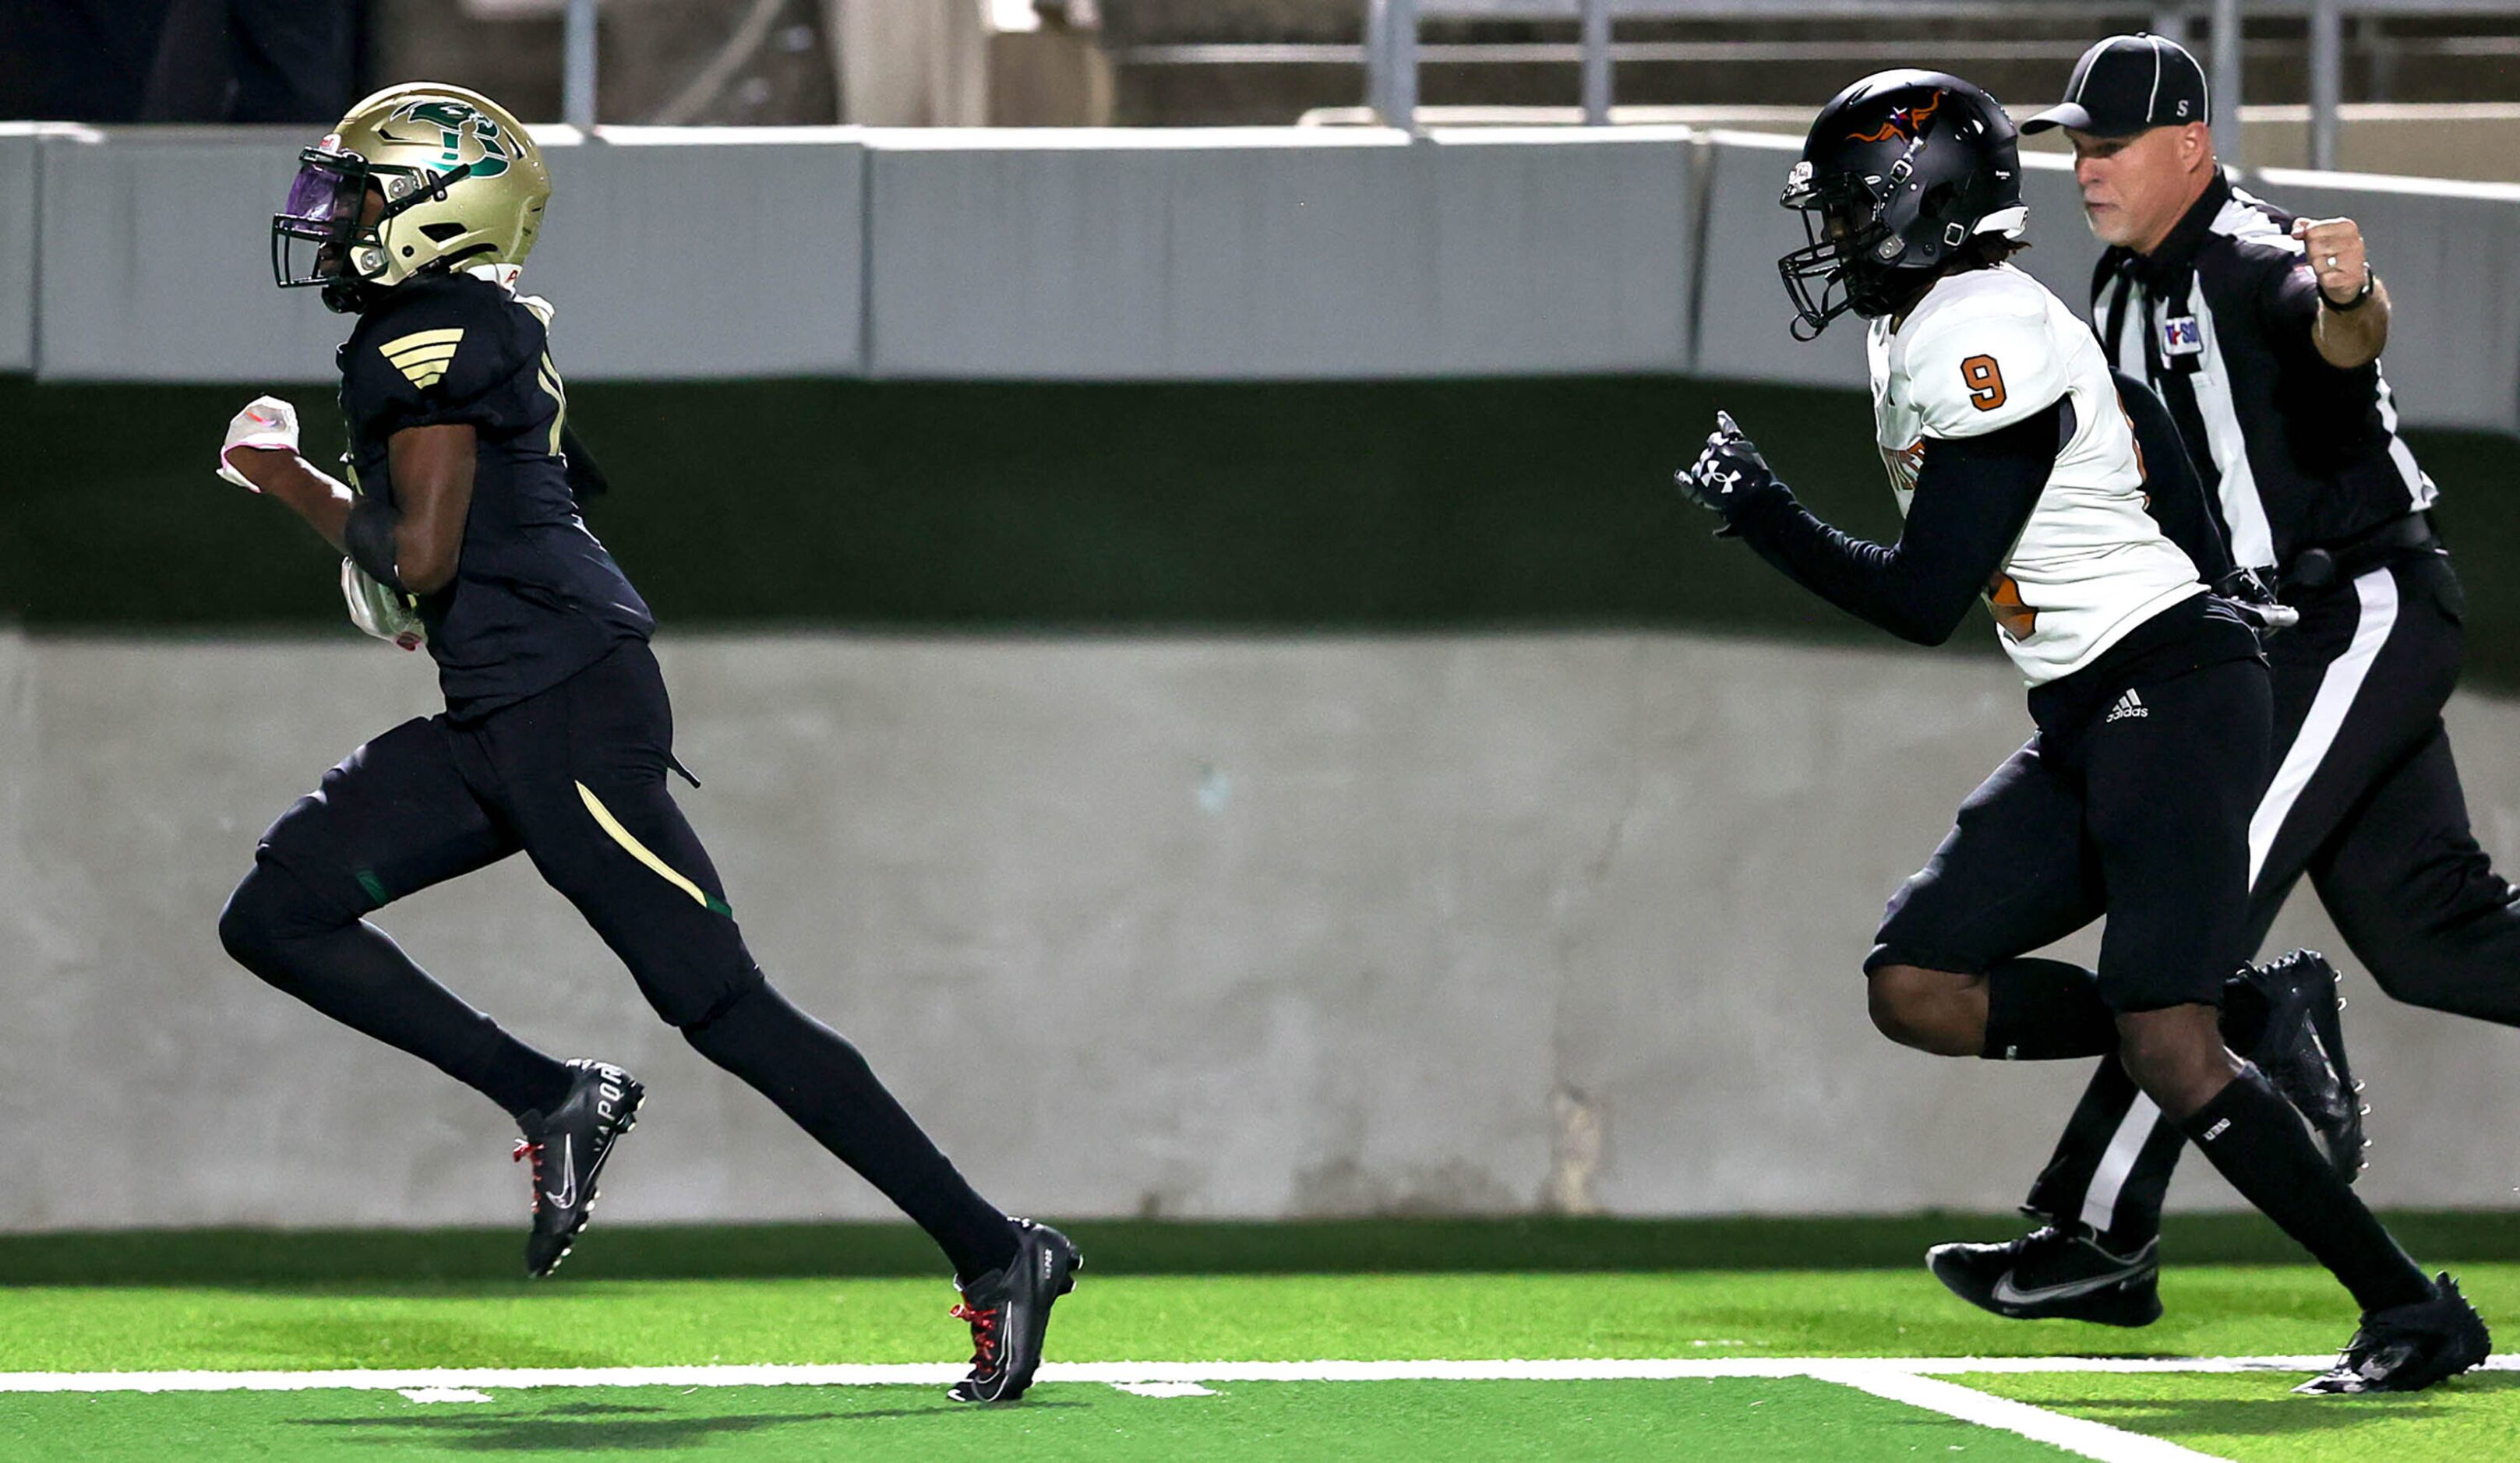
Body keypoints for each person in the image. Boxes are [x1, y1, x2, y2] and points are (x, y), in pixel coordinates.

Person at [209, 82, 1077, 1404]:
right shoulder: (440, 324)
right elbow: (466, 548)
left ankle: (997, 1248)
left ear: (436, 213)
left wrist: (286, 481)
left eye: (361, 193)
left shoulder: (433, 328)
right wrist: (368, 533)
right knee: (280, 911)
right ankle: (554, 1096)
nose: (332, 220)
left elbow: (426, 549)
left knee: (720, 1003)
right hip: (500, 701)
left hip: (564, 706)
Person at [1682, 67, 2487, 1394]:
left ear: (1917, 207)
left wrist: (1764, 515)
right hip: (2096, 701)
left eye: (1845, 204)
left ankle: (2408, 1307)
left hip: (2163, 696)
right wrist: (2206, 562)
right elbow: (2138, 420)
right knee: (1916, 983)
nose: (1827, 231)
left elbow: (1919, 597)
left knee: (2165, 1042)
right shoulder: (1950, 315)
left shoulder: (1978, 324)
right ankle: (2252, 1010)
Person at [1929, 31, 2520, 1338]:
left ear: (2187, 147)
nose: (2082, 167)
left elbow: (2330, 332)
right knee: (2434, 938)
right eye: (2073, 143)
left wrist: (2352, 293)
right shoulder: (2123, 284)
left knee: (2196, 909)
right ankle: (2119, 1213)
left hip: (2348, 609)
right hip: (2273, 634)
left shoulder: (2245, 256)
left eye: (2108, 142)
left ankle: (2096, 1233)